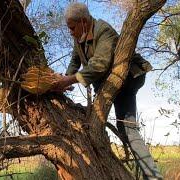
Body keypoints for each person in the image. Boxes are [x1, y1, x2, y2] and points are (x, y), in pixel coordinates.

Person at [51, 2, 163, 180]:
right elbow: (75, 61)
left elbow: (100, 65)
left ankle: (153, 177)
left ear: (83, 22)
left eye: (72, 28)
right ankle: (151, 175)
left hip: (128, 78)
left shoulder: (104, 31)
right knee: (126, 129)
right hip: (110, 82)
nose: (71, 32)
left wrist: (70, 79)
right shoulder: (78, 36)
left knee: (127, 128)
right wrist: (65, 80)